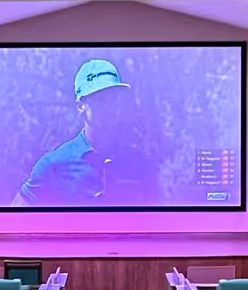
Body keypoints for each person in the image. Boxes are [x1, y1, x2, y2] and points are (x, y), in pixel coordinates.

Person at [15, 57, 152, 205]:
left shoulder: (139, 163)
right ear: (81, 106)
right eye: (100, 99)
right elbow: (11, 221)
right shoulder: (54, 165)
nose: (109, 106)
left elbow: (159, 222)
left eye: (113, 98)